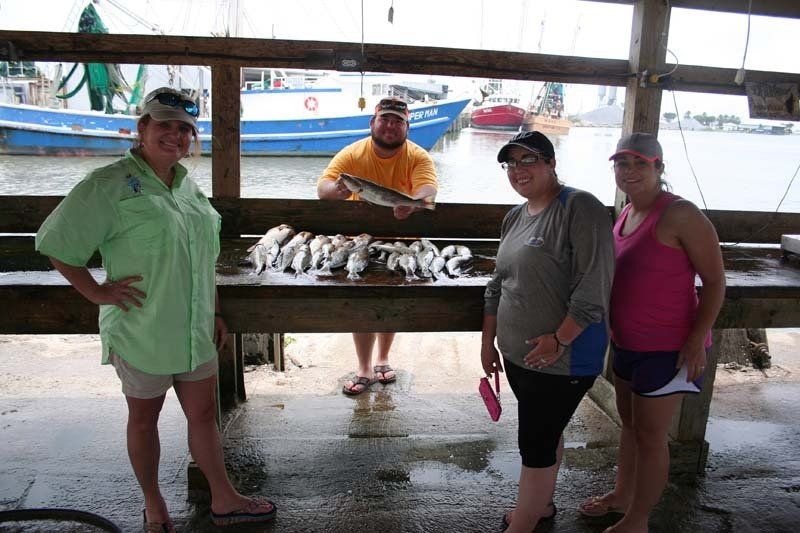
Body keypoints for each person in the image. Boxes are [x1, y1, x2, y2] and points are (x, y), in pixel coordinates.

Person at [35, 87, 276, 531]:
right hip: (142, 328)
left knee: (204, 414)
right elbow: (56, 244)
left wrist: (217, 312)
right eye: (164, 125)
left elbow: (204, 258)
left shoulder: (186, 186)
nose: (175, 136)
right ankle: (153, 502)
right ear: (141, 128)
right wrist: (96, 292)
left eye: (184, 129)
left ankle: (224, 497)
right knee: (145, 419)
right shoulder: (107, 184)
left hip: (195, 327)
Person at [579, 133, 725, 533]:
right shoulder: (626, 212)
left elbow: (714, 282)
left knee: (651, 436)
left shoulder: (681, 215)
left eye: (640, 163)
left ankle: (638, 520)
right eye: (621, 163)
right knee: (628, 426)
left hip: (668, 349)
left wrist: (696, 341)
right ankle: (622, 495)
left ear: (660, 167)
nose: (629, 171)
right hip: (627, 343)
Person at [481, 131, 615, 532]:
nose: (519, 170)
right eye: (512, 163)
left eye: (529, 160)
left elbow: (596, 287)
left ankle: (522, 524)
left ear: (552, 163)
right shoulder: (515, 215)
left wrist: (561, 338)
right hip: (518, 355)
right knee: (547, 430)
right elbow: (496, 283)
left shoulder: (581, 207)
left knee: (535, 443)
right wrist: (488, 342)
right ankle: (541, 507)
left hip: (561, 357)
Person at [317, 96, 438, 396]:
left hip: (400, 238)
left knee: (391, 300)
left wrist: (413, 206)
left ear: (407, 127)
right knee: (362, 302)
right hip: (359, 240)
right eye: (385, 119)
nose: (390, 126)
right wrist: (339, 190)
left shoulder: (418, 156)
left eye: (398, 121)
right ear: (372, 123)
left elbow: (428, 190)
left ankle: (383, 358)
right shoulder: (353, 153)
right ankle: (363, 367)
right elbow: (323, 188)